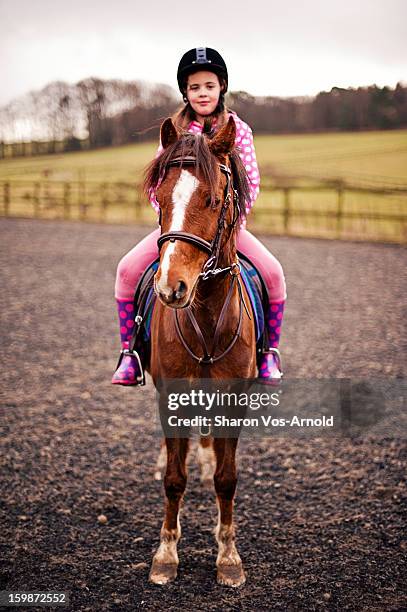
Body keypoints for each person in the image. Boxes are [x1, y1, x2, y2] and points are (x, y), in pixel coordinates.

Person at [112, 47, 286, 385]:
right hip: (180, 227)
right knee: (127, 270)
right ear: (185, 93)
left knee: (274, 275)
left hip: (226, 228)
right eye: (194, 87)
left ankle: (268, 354)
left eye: (209, 85)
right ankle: (130, 353)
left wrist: (233, 224)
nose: (202, 93)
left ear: (221, 87)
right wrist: (173, 219)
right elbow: (157, 186)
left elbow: (249, 183)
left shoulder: (239, 131)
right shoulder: (175, 131)